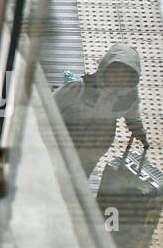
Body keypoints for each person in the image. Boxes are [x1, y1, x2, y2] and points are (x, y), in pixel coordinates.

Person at [54, 43, 149, 178]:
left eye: (125, 76)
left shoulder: (128, 98)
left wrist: (138, 129)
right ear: (105, 68)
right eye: (115, 73)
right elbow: (50, 105)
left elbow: (132, 115)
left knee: (79, 176)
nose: (119, 79)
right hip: (64, 139)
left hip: (94, 147)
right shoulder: (80, 87)